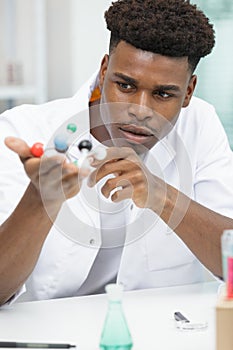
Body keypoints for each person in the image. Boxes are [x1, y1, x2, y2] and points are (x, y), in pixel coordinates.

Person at [0, 0, 233, 306]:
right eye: (125, 85)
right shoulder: (23, 130)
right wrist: (40, 198)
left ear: (188, 91)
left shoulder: (200, 124)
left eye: (163, 94)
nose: (139, 110)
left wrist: (161, 196)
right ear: (104, 70)